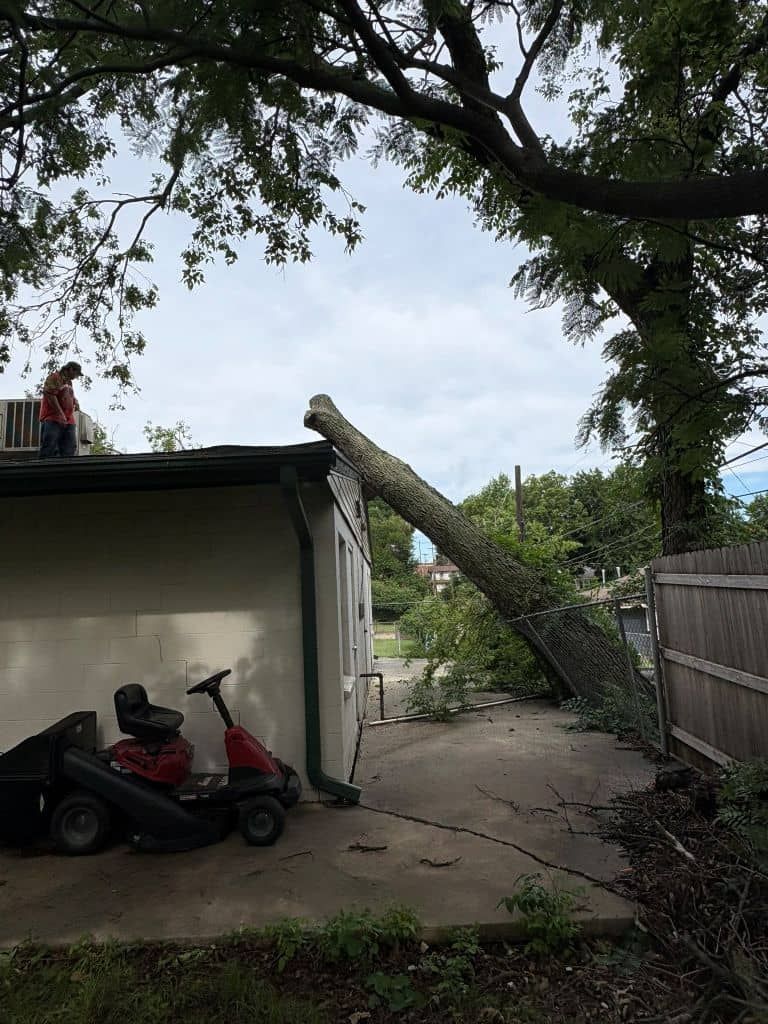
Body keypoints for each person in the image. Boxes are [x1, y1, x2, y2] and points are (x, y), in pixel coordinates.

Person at [38, 361, 83, 458]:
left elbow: (68, 394)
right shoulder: (55, 377)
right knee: (50, 446)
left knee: (70, 446)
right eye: (76, 374)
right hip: (53, 418)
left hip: (68, 419)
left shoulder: (69, 382)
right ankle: (44, 469)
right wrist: (60, 414)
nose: (76, 377)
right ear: (70, 369)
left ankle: (66, 469)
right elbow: (50, 395)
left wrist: (75, 401)